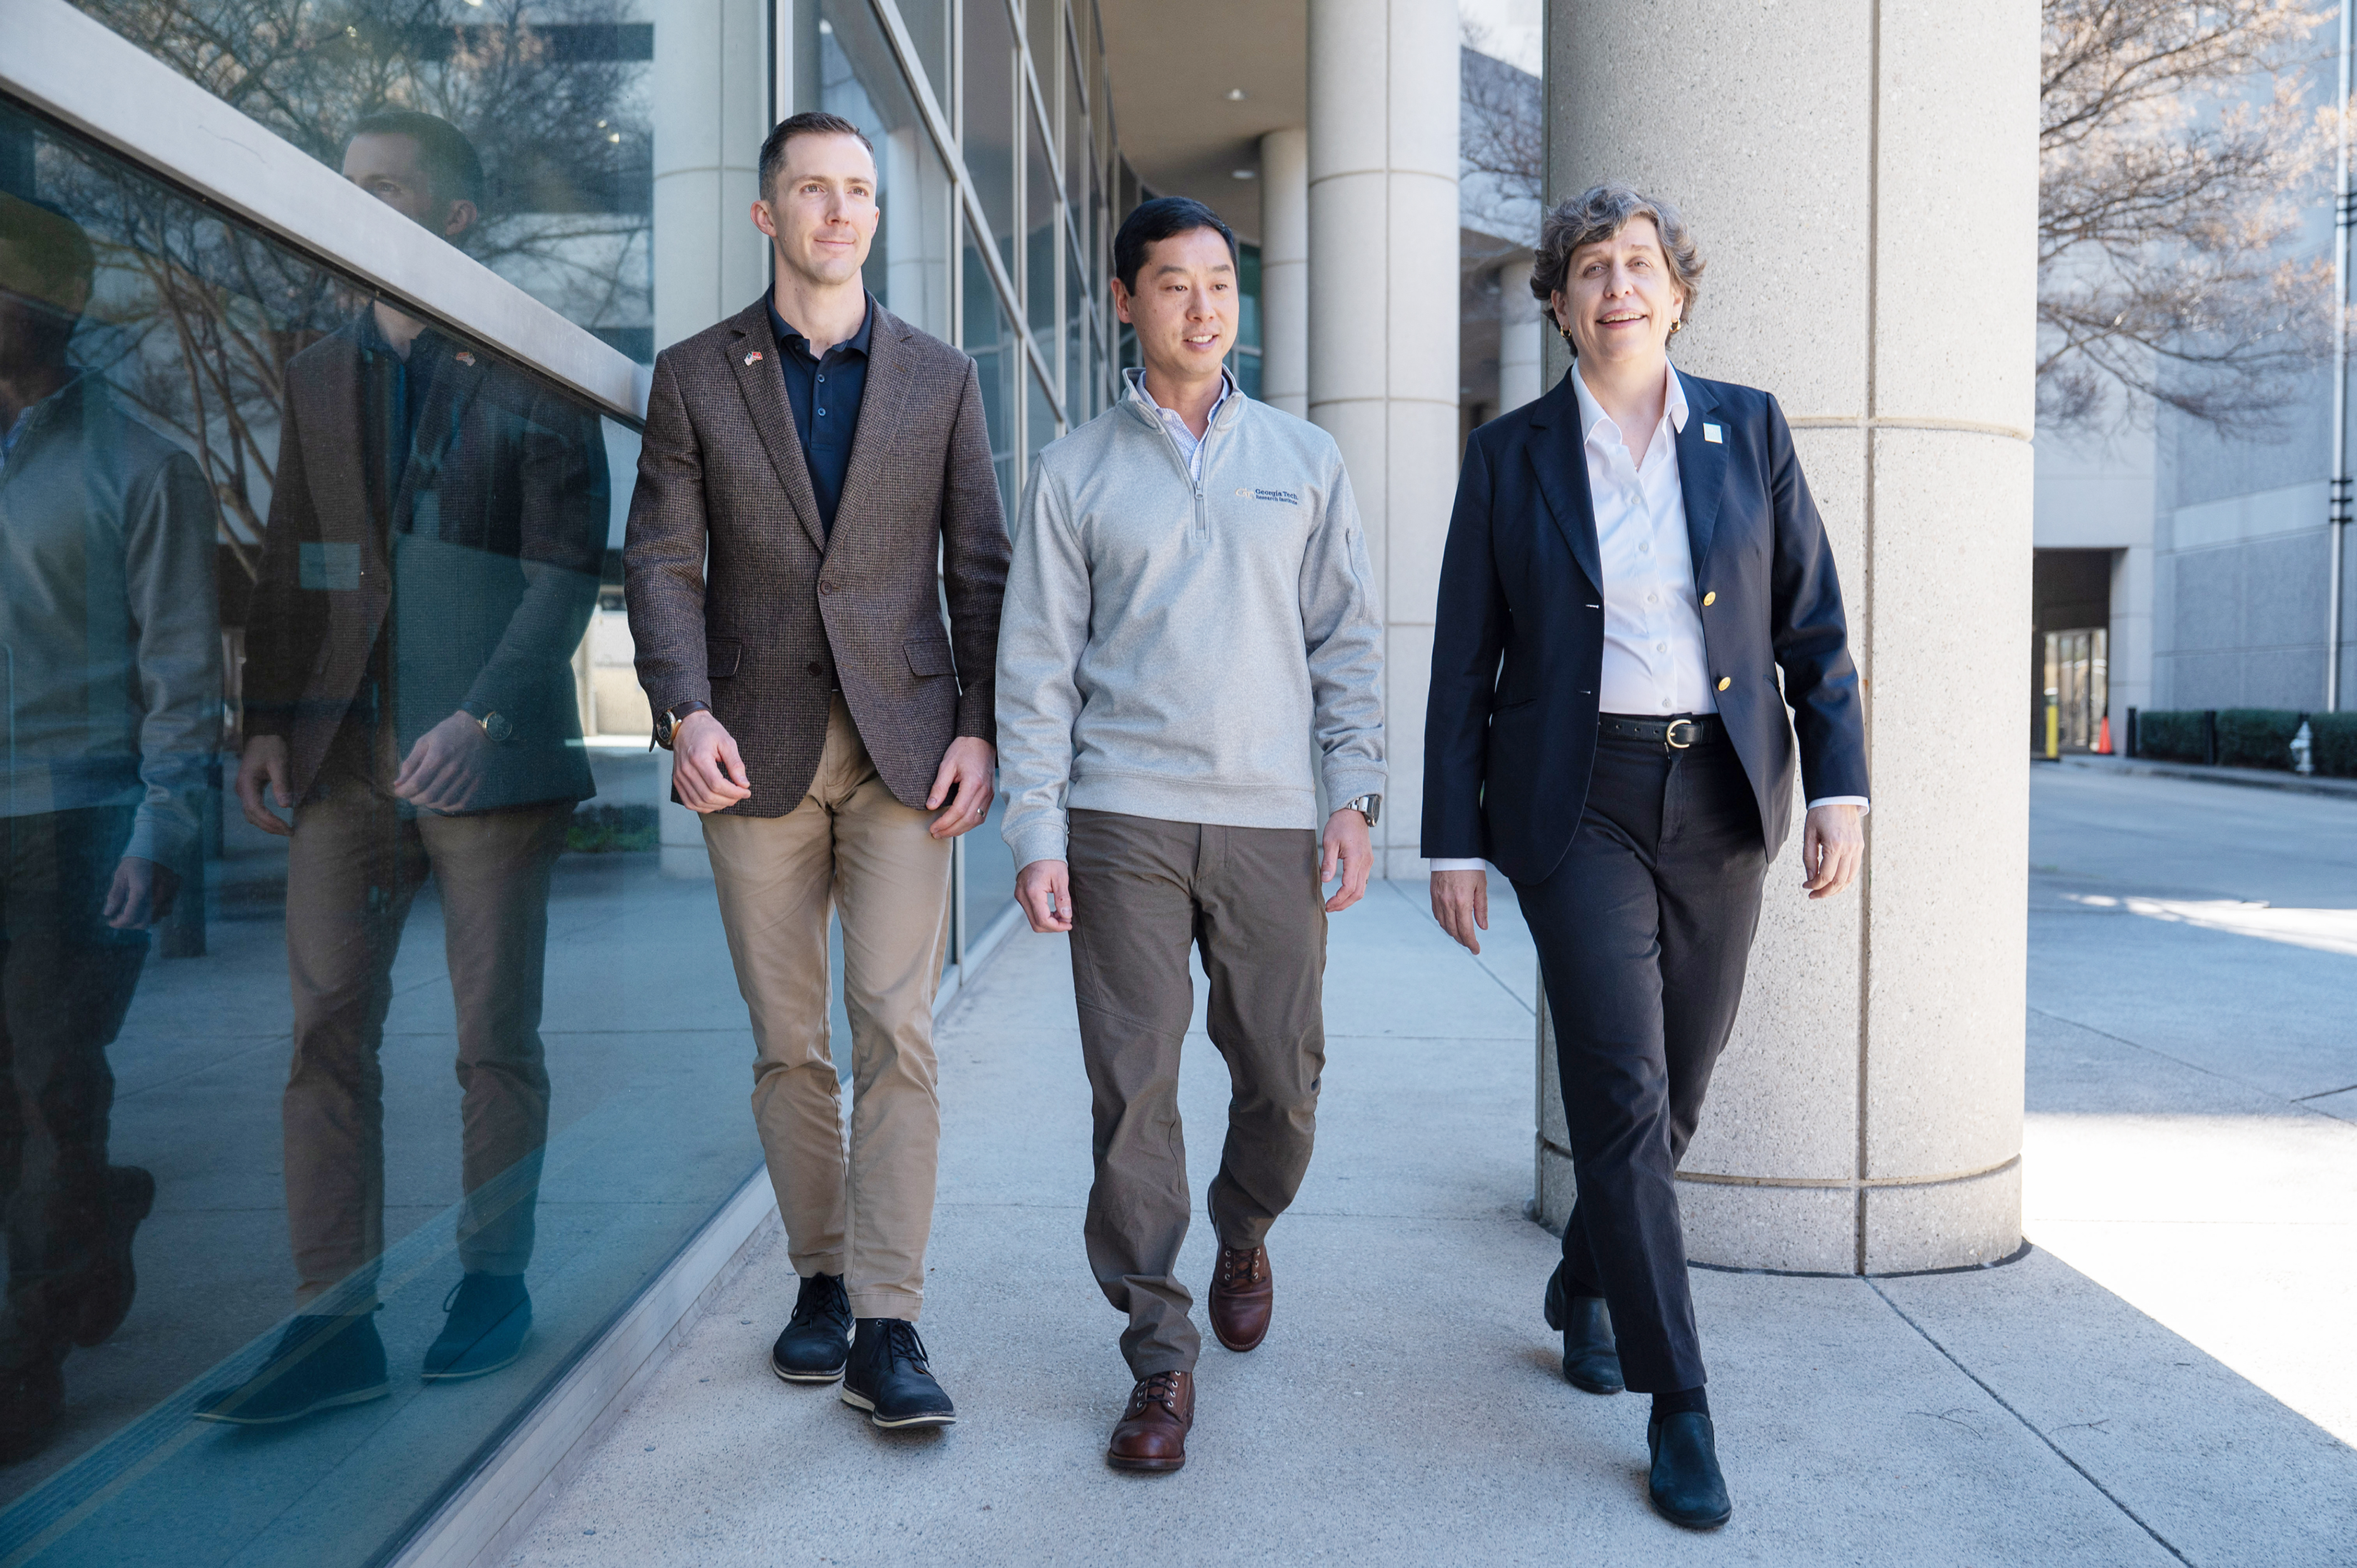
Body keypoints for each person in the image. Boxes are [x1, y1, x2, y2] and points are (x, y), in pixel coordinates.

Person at [1422, 184, 1868, 1529]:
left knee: (1677, 1089)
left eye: (1640, 265)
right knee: (1620, 1089)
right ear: (1559, 304)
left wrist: (1841, 787)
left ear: (1677, 294)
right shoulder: (1508, 457)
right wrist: (1452, 838)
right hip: (1580, 804)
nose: (1617, 285)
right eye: (1591, 268)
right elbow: (1463, 664)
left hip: (1723, 792)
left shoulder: (1750, 428)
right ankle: (1681, 1402)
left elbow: (1812, 628)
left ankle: (1588, 1278)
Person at [206, 111, 607, 1424]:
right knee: (325, 1030)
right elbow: (291, 556)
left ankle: (493, 1280)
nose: (356, 203)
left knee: (493, 1038)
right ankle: (333, 1323)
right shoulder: (322, 371)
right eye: (350, 185)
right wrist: (268, 719)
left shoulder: (533, 362)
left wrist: (480, 719)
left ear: (453, 219)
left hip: (488, 757)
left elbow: (563, 575)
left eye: (384, 188)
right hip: (340, 757)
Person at [624, 111, 1006, 1432]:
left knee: (897, 1028)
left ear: (876, 218)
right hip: (751, 750)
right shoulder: (694, 375)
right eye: (813, 190)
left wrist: (980, 724)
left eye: (859, 192)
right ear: (767, 214)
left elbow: (981, 566)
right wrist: (684, 711)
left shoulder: (941, 378)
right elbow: (661, 561)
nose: (840, 211)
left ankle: (890, 1324)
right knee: (789, 1042)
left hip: (908, 751)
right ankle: (822, 1278)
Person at [997, 196, 1386, 1474]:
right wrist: (1037, 828)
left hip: (1270, 817)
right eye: (1174, 283)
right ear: (1127, 302)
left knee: (1284, 1076)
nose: (1204, 305)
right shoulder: (1074, 470)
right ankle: (1158, 1353)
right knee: (1133, 1091)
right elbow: (1037, 666)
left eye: (1221, 281)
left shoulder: (1304, 459)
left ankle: (1243, 1224)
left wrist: (1353, 794)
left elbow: (1346, 644)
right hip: (1122, 818)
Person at [0, 194, 219, 1459]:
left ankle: (23, 1361)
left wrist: (164, 827)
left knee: (49, 1090)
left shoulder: (142, 465)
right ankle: (92, 1225)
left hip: (70, 825)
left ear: (52, 303)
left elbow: (181, 669)